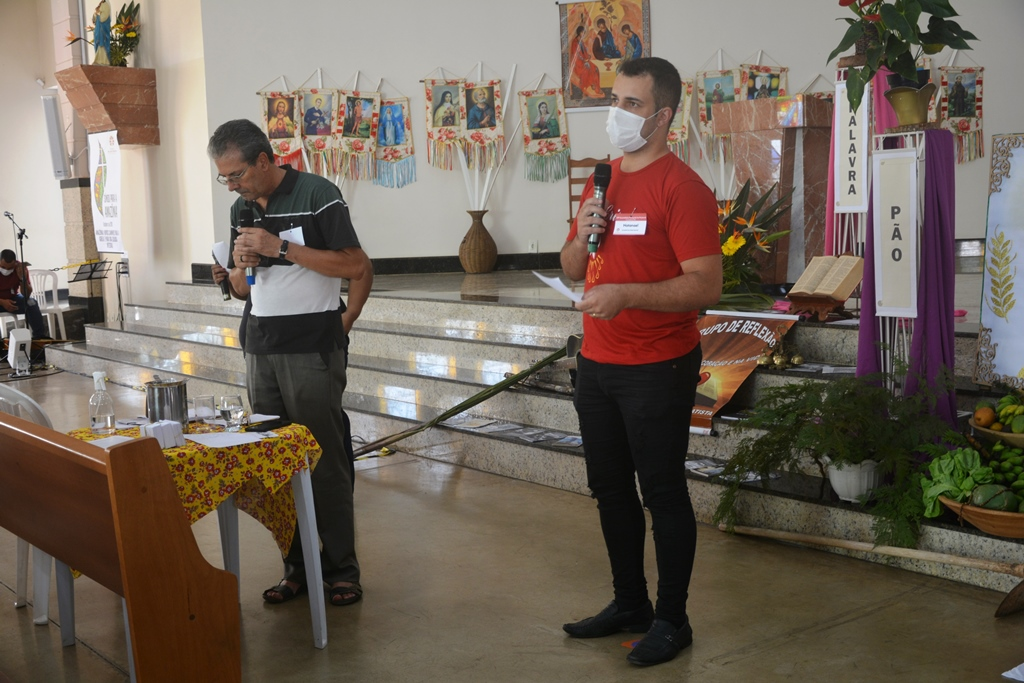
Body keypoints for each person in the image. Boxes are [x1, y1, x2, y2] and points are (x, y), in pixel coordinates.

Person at [559, 57, 721, 668]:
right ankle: (630, 601)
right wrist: (582, 234)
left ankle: (673, 619)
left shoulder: (682, 188)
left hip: (657, 366)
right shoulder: (602, 180)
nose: (617, 113)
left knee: (662, 492)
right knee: (609, 490)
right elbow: (572, 266)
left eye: (632, 104)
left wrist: (627, 295)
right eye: (615, 100)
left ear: (663, 116)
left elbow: (705, 284)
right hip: (597, 362)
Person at [207, 119, 373, 608]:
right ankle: (297, 567)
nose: (231, 186)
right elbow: (244, 288)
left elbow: (355, 265)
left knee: (322, 459)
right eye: (224, 178)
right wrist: (234, 272)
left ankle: (341, 570)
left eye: (236, 175)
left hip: (311, 346)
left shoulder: (318, 194)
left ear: (264, 160)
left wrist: (280, 247)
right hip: (261, 346)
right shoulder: (240, 208)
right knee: (276, 465)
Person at [0, 249, 50, 340]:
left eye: (10, 268)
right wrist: (3, 302)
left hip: (13, 298)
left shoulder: (20, 268)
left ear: (15, 264)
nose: (6, 270)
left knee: (31, 303)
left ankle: (39, 338)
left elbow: (26, 294)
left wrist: (22, 278)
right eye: (3, 267)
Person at [570, 25, 604, 99]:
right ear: (579, 32)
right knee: (587, 68)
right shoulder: (575, 42)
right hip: (578, 63)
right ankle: (584, 89)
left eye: (584, 32)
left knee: (596, 68)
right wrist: (583, 60)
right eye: (582, 32)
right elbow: (576, 54)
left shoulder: (581, 41)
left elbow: (584, 52)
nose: (583, 34)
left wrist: (587, 56)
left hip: (584, 61)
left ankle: (596, 87)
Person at [92, 0, 111, 65]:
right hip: (98, 29)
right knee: (98, 44)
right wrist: (95, 14)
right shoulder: (101, 4)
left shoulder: (106, 4)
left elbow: (103, 18)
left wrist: (97, 14)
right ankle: (98, 60)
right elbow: (95, 16)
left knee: (102, 44)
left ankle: (104, 61)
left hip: (103, 29)